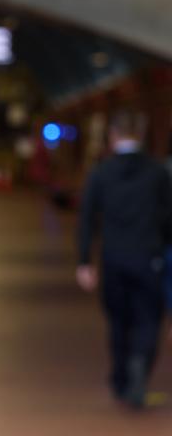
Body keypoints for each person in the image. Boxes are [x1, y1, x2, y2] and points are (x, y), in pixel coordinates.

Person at [77, 110, 172, 408]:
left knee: (118, 322)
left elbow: (87, 219)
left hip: (113, 260)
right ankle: (139, 366)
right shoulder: (158, 173)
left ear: (112, 136)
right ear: (142, 135)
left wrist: (84, 262)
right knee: (149, 320)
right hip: (149, 259)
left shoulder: (101, 172)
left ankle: (120, 379)